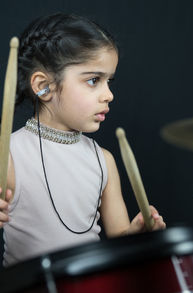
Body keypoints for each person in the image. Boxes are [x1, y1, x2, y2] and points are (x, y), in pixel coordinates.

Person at [0, 13, 166, 267]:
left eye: (109, 81)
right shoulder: (9, 156)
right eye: (93, 80)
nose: (108, 95)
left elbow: (118, 239)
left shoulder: (104, 161)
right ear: (44, 87)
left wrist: (137, 235)